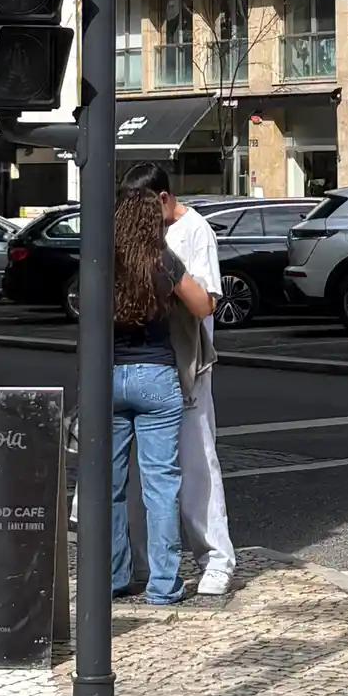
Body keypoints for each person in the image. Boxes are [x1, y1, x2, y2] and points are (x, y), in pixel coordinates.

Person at [129, 164, 236, 598]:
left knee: (195, 459)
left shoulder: (194, 231)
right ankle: (141, 561)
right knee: (143, 468)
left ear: (162, 198)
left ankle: (215, 558)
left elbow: (206, 301)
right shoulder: (139, 230)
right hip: (147, 360)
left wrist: (164, 277)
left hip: (187, 362)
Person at [111, 187, 213, 605]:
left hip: (109, 377)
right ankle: (163, 585)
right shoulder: (162, 261)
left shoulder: (105, 261)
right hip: (156, 375)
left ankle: (113, 577)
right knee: (160, 485)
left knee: (110, 485)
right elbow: (203, 305)